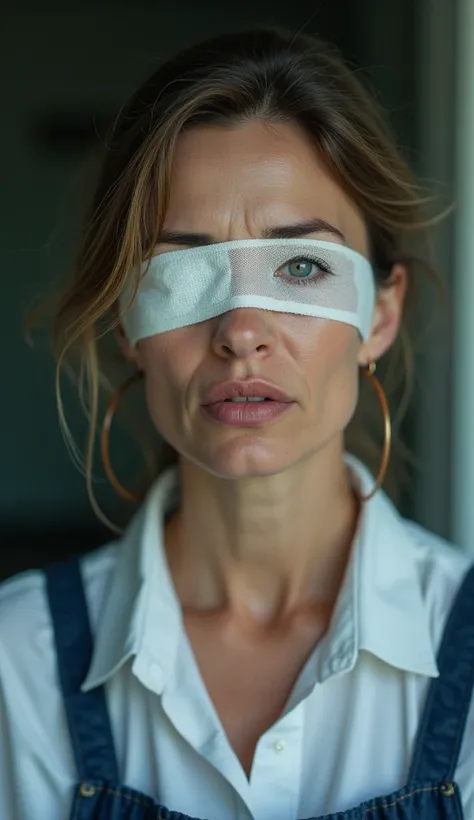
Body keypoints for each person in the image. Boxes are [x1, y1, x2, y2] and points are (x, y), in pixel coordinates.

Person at [0, 23, 473, 820]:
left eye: (301, 266)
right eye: (182, 273)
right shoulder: (18, 663)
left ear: (382, 315)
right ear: (127, 325)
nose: (242, 330)